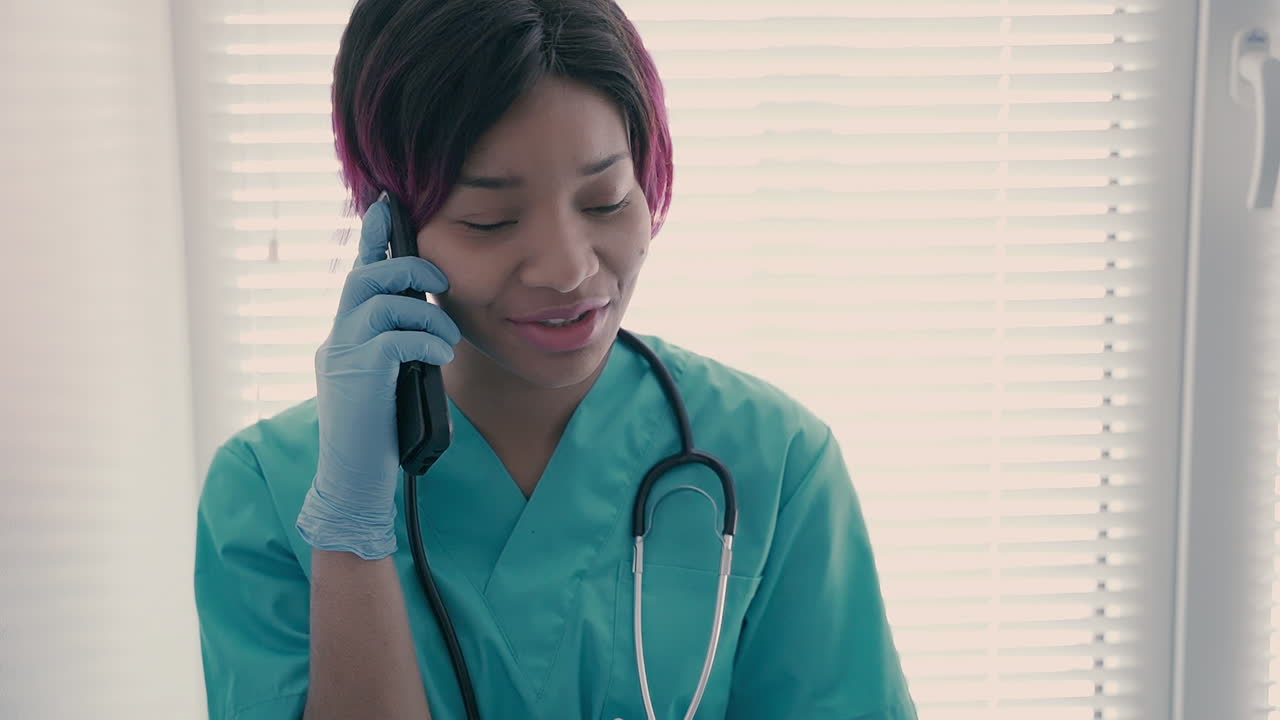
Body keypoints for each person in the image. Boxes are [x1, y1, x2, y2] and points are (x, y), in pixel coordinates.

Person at [193, 1, 918, 719]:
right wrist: (350, 533)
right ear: (395, 230)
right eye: (490, 221)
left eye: (605, 201)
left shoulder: (778, 460)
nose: (568, 270)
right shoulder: (266, 494)